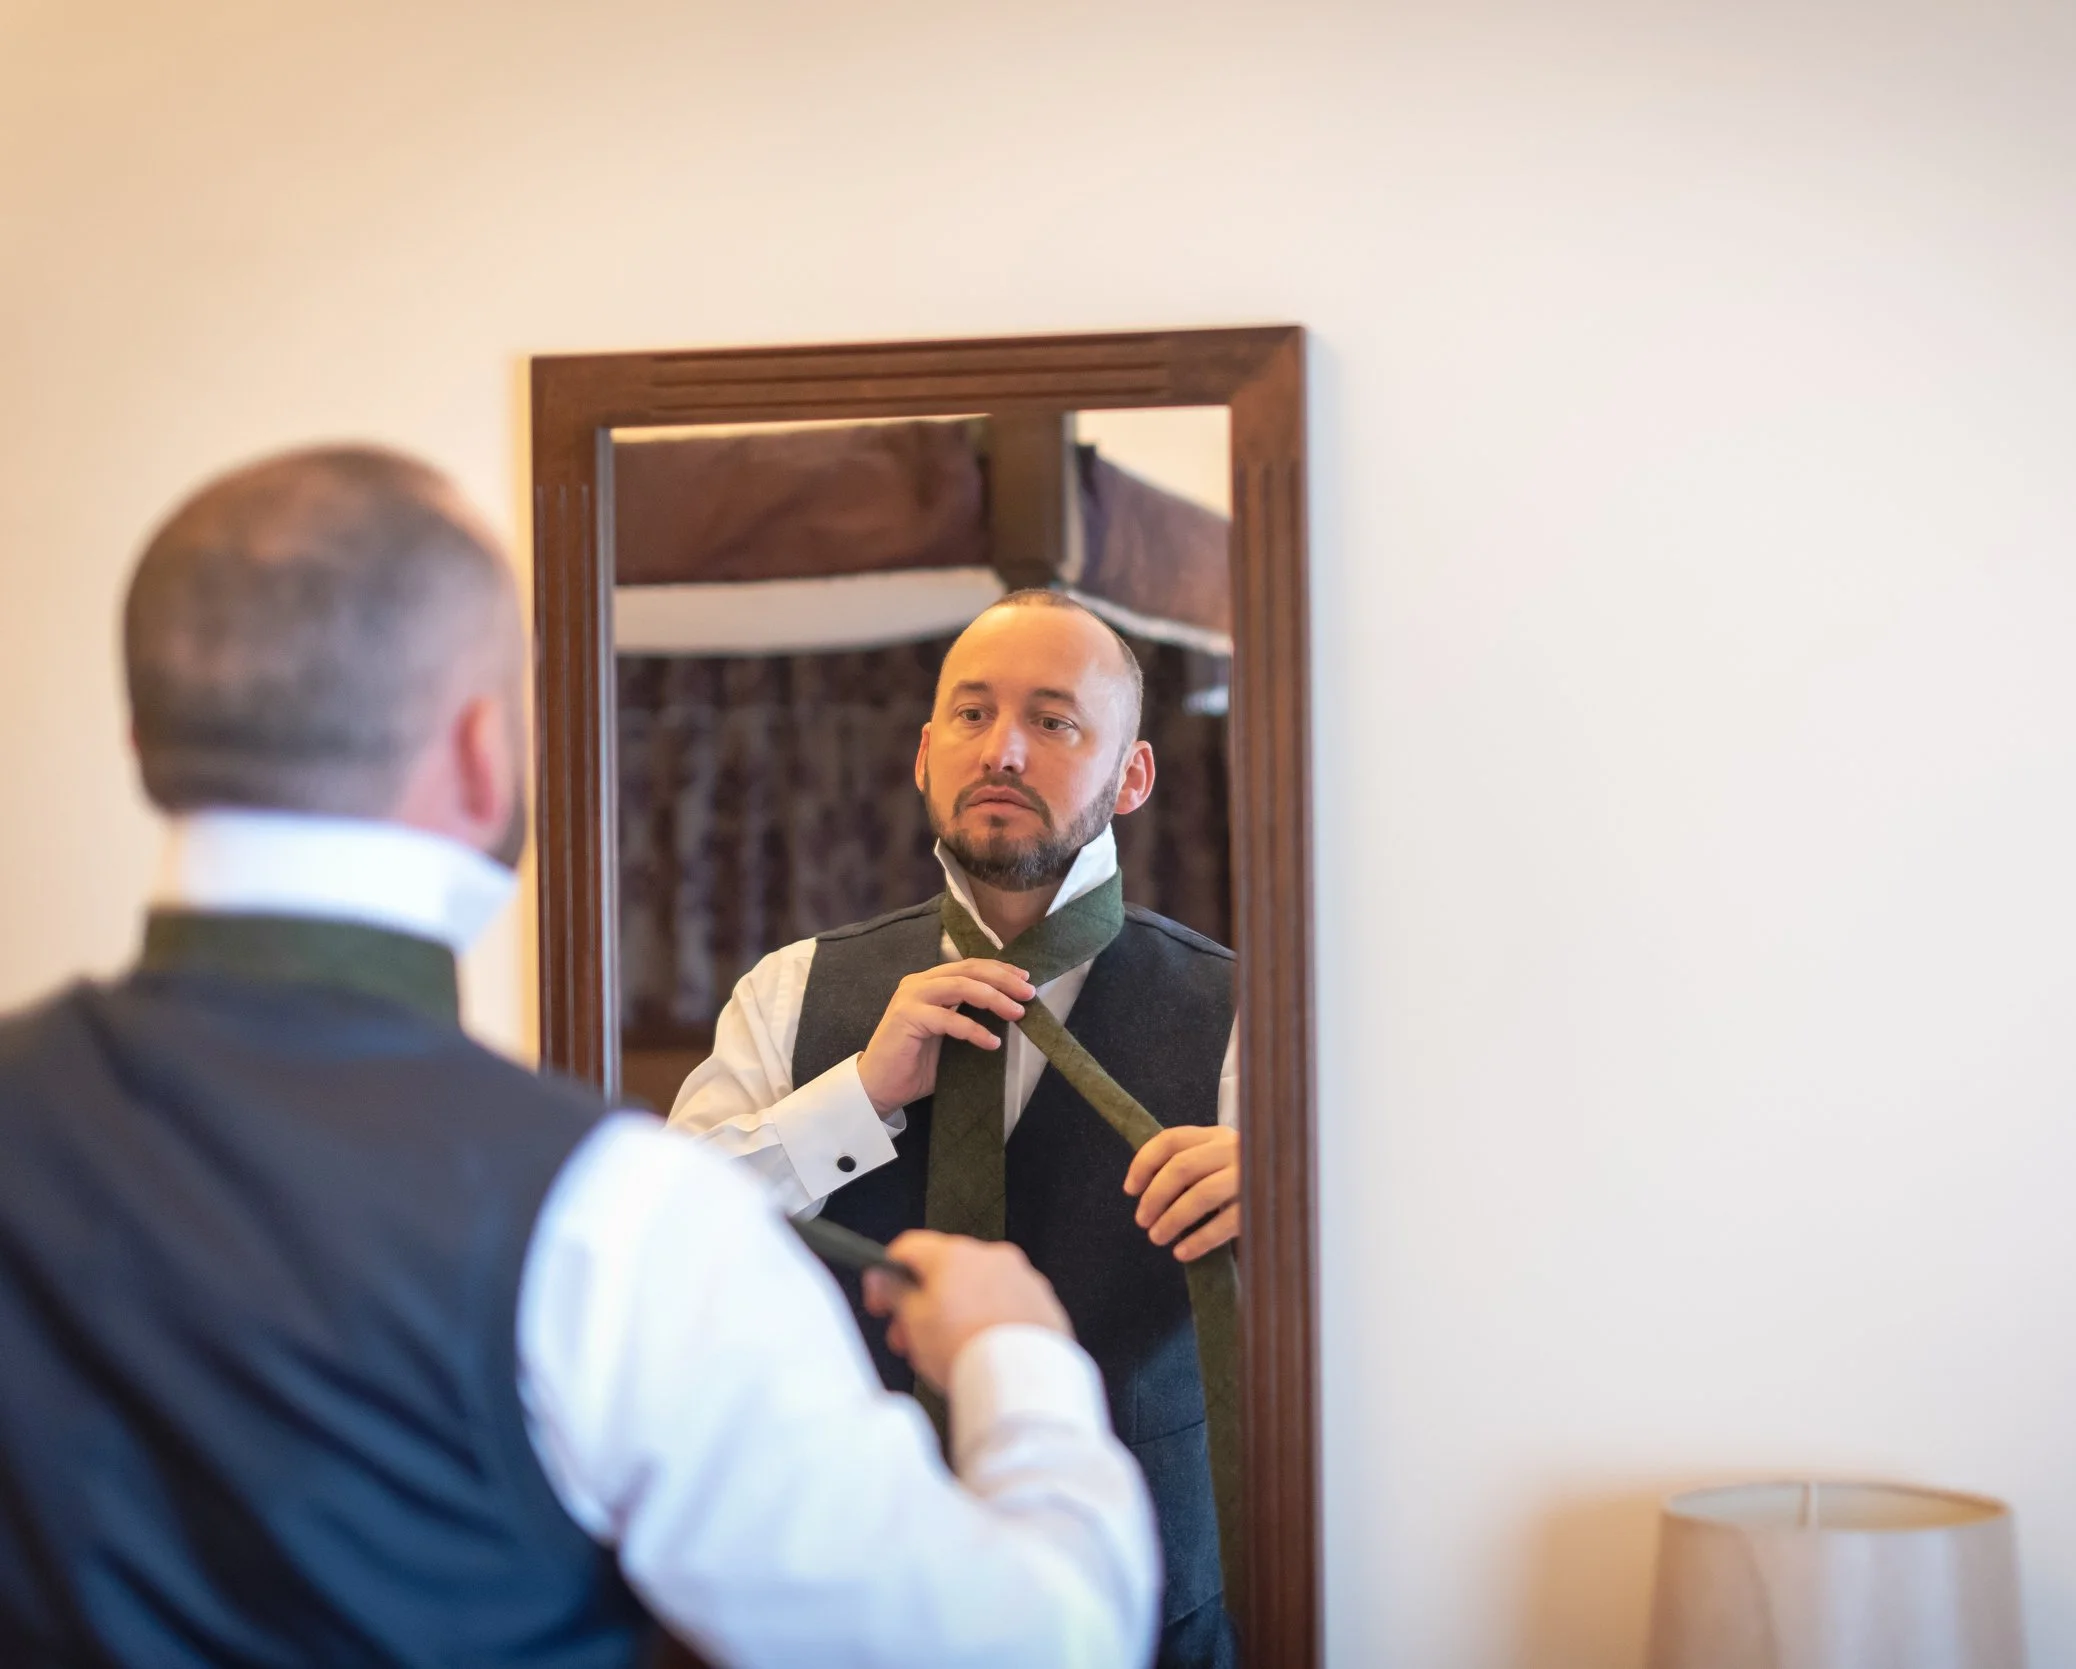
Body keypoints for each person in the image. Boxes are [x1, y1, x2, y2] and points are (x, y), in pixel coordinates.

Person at [0, 447, 1159, 1669]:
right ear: (481, 751)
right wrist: (1014, 1357)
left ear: (143, 745)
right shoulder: (608, 1214)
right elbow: (1047, 1642)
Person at [669, 591, 1242, 1668]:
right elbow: (670, 1235)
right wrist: (854, 1096)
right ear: (926, 754)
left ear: (1133, 774)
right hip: (838, 1603)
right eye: (971, 716)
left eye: (1055, 720)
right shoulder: (790, 994)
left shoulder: (1246, 1014)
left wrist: (1289, 1207)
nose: (1004, 750)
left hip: (1144, 1612)